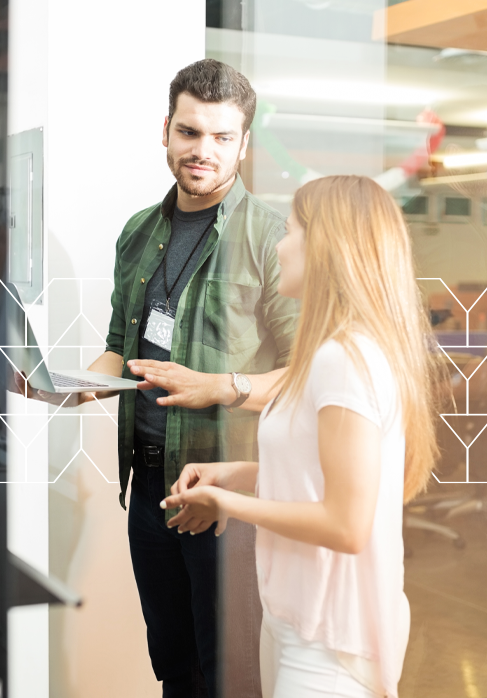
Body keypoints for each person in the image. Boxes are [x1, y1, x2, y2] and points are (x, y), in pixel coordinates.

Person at [17, 59, 298, 697]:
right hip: (148, 486)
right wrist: (60, 385)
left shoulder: (273, 239)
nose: (203, 151)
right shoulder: (138, 234)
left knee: (230, 675)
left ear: (244, 145)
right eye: (191, 132)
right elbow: (121, 351)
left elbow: (306, 374)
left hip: (230, 498)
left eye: (222, 138)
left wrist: (222, 386)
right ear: (166, 129)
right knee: (174, 667)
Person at [161, 175, 439, 698]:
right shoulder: (331, 354)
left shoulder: (345, 361)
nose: (280, 246)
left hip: (330, 643)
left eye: (290, 232)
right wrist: (239, 476)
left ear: (326, 248)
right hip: (296, 619)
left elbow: (345, 524)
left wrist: (228, 503)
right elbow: (322, 477)